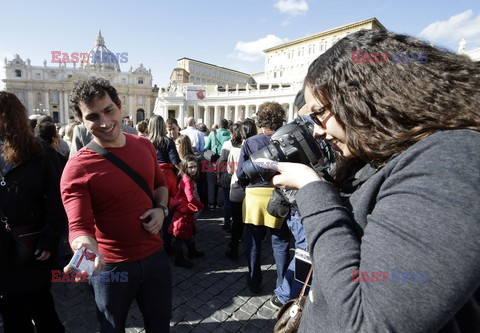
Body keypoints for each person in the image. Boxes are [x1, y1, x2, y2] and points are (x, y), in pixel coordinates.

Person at [264, 29, 480, 332]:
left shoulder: (452, 160)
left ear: (363, 99)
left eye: (319, 114)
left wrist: (313, 190)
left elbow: (368, 323)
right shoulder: (382, 155)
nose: (315, 131)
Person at [60, 77, 172, 332]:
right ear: (81, 120)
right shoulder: (77, 167)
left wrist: (161, 210)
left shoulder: (144, 145)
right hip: (110, 267)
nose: (105, 122)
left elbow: (159, 186)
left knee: (160, 326)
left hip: (155, 257)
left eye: (108, 110)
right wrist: (85, 250)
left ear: (120, 106)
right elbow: (79, 227)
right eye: (93, 117)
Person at [0, 91, 65, 333]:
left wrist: (49, 240)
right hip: (3, 254)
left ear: (8, 118)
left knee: (42, 310)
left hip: (32, 249)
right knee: (12, 316)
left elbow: (58, 201)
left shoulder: (39, 152)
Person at [236, 102, 289, 294]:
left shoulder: (250, 143)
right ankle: (283, 287)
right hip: (278, 195)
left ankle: (254, 283)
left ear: (261, 121)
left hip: (254, 198)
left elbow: (241, 173)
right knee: (281, 243)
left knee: (253, 243)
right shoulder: (285, 139)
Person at [148, 115, 182, 255]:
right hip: (167, 177)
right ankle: (167, 245)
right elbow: (176, 162)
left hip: (150, 176)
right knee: (166, 211)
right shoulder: (168, 141)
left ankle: (152, 244)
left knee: (150, 210)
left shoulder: (145, 141)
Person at [225, 119, 257, 260]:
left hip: (237, 189)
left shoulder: (235, 150)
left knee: (236, 221)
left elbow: (230, 170)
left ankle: (234, 248)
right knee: (250, 222)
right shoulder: (257, 149)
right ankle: (251, 249)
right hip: (252, 191)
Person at [168, 155, 205, 268]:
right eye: (190, 167)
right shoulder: (188, 180)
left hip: (184, 210)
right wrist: (201, 205)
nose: (193, 169)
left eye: (195, 167)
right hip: (183, 211)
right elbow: (190, 198)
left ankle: (192, 252)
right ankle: (179, 259)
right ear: (185, 167)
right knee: (179, 236)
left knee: (187, 233)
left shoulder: (185, 177)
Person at [204, 118, 231, 211]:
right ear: (227, 126)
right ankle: (220, 204)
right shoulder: (230, 135)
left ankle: (211, 204)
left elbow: (206, 147)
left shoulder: (212, 133)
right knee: (222, 183)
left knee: (211, 183)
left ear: (219, 125)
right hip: (224, 161)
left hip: (212, 160)